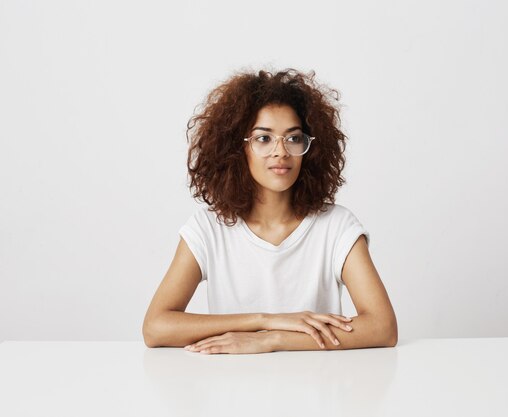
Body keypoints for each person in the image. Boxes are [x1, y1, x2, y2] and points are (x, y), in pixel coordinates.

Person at [142, 68, 397, 354]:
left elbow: (382, 327)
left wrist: (270, 339)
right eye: (264, 138)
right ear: (238, 149)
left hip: (320, 389)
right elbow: (155, 327)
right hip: (231, 390)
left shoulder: (336, 226)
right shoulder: (208, 229)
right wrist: (266, 320)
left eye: (293, 138)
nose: (281, 151)